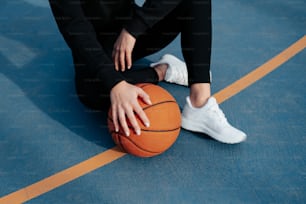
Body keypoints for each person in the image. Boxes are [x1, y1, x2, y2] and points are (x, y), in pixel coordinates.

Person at [49, 0, 246, 144]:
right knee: (91, 92)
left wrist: (133, 29)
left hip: (132, 34)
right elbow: (76, 30)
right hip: (98, 48)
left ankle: (199, 104)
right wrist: (115, 84)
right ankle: (163, 71)